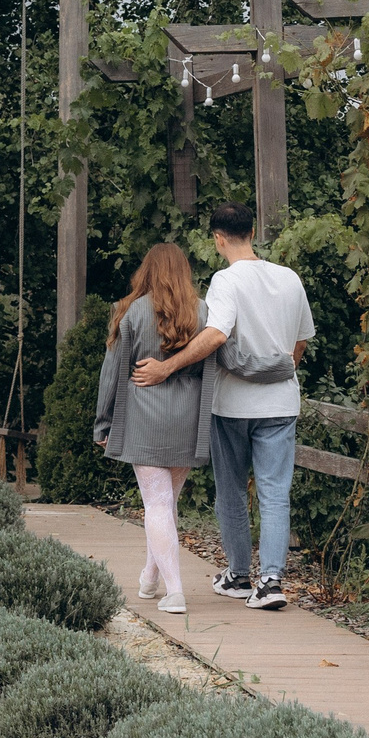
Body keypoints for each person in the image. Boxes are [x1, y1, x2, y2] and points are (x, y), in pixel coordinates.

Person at [132, 202, 312, 610]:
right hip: (281, 404)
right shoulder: (289, 278)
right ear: (252, 231)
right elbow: (300, 342)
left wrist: (166, 367)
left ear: (217, 239)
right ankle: (271, 583)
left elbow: (214, 336)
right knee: (274, 492)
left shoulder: (225, 280)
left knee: (230, 492)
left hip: (232, 406)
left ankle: (238, 577)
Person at [93, 242, 209, 615]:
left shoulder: (128, 311)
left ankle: (175, 591)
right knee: (166, 503)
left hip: (144, 414)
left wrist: (104, 422)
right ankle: (149, 577)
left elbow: (112, 372)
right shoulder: (203, 311)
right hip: (188, 415)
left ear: (147, 271)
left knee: (156, 504)